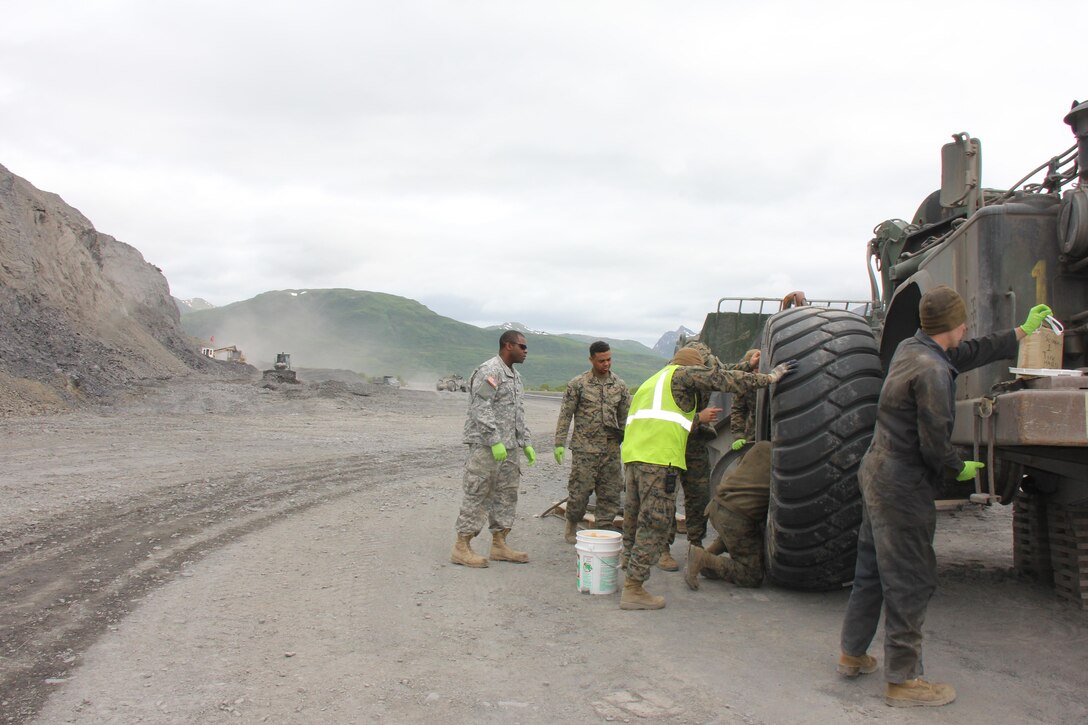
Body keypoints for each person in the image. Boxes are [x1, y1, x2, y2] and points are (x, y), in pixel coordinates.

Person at [837, 286, 1051, 707]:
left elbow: (966, 352)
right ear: (951, 325)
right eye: (961, 322)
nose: (966, 328)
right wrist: (959, 468)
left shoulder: (911, 349)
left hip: (876, 473)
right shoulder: (932, 372)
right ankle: (903, 680)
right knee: (910, 579)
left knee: (872, 572)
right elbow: (933, 444)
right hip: (901, 485)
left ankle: (852, 653)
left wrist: (1020, 333)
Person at [619, 346, 797, 609]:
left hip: (634, 458)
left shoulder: (654, 381)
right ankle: (633, 589)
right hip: (659, 459)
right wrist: (769, 377)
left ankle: (627, 566)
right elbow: (724, 379)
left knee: (634, 518)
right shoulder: (683, 376)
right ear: (693, 367)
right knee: (655, 521)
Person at [657, 342, 754, 571]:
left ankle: (695, 544)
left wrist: (749, 365)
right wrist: (699, 418)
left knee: (698, 495)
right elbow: (668, 420)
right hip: (673, 441)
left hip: (695, 443)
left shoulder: (706, 364)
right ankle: (663, 548)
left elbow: (723, 371)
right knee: (666, 496)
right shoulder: (673, 377)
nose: (706, 369)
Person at [450, 330, 536, 568]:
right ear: (508, 346)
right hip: (487, 447)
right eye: (522, 346)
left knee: (506, 495)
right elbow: (480, 406)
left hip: (509, 448)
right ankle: (461, 547)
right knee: (478, 493)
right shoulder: (490, 371)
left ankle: (499, 544)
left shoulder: (515, 377)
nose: (526, 351)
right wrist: (493, 439)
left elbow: (518, 414)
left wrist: (525, 442)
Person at [553, 341, 631, 543]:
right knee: (579, 492)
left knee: (611, 492)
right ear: (591, 359)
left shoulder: (619, 386)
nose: (606, 364)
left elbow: (626, 417)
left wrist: (627, 440)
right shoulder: (578, 384)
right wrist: (559, 443)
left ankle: (603, 530)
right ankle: (571, 526)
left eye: (609, 359)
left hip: (611, 449)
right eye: (601, 360)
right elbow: (565, 415)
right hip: (585, 449)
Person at [684, 441, 771, 590]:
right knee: (751, 575)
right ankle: (704, 559)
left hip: (718, 505)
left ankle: (705, 557)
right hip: (736, 516)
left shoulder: (762, 446)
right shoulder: (787, 460)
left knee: (744, 534)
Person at [729, 348, 761, 452]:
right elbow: (738, 409)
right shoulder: (743, 384)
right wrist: (739, 436)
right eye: (754, 367)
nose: (757, 370)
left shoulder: (772, 377)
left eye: (759, 366)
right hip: (756, 425)